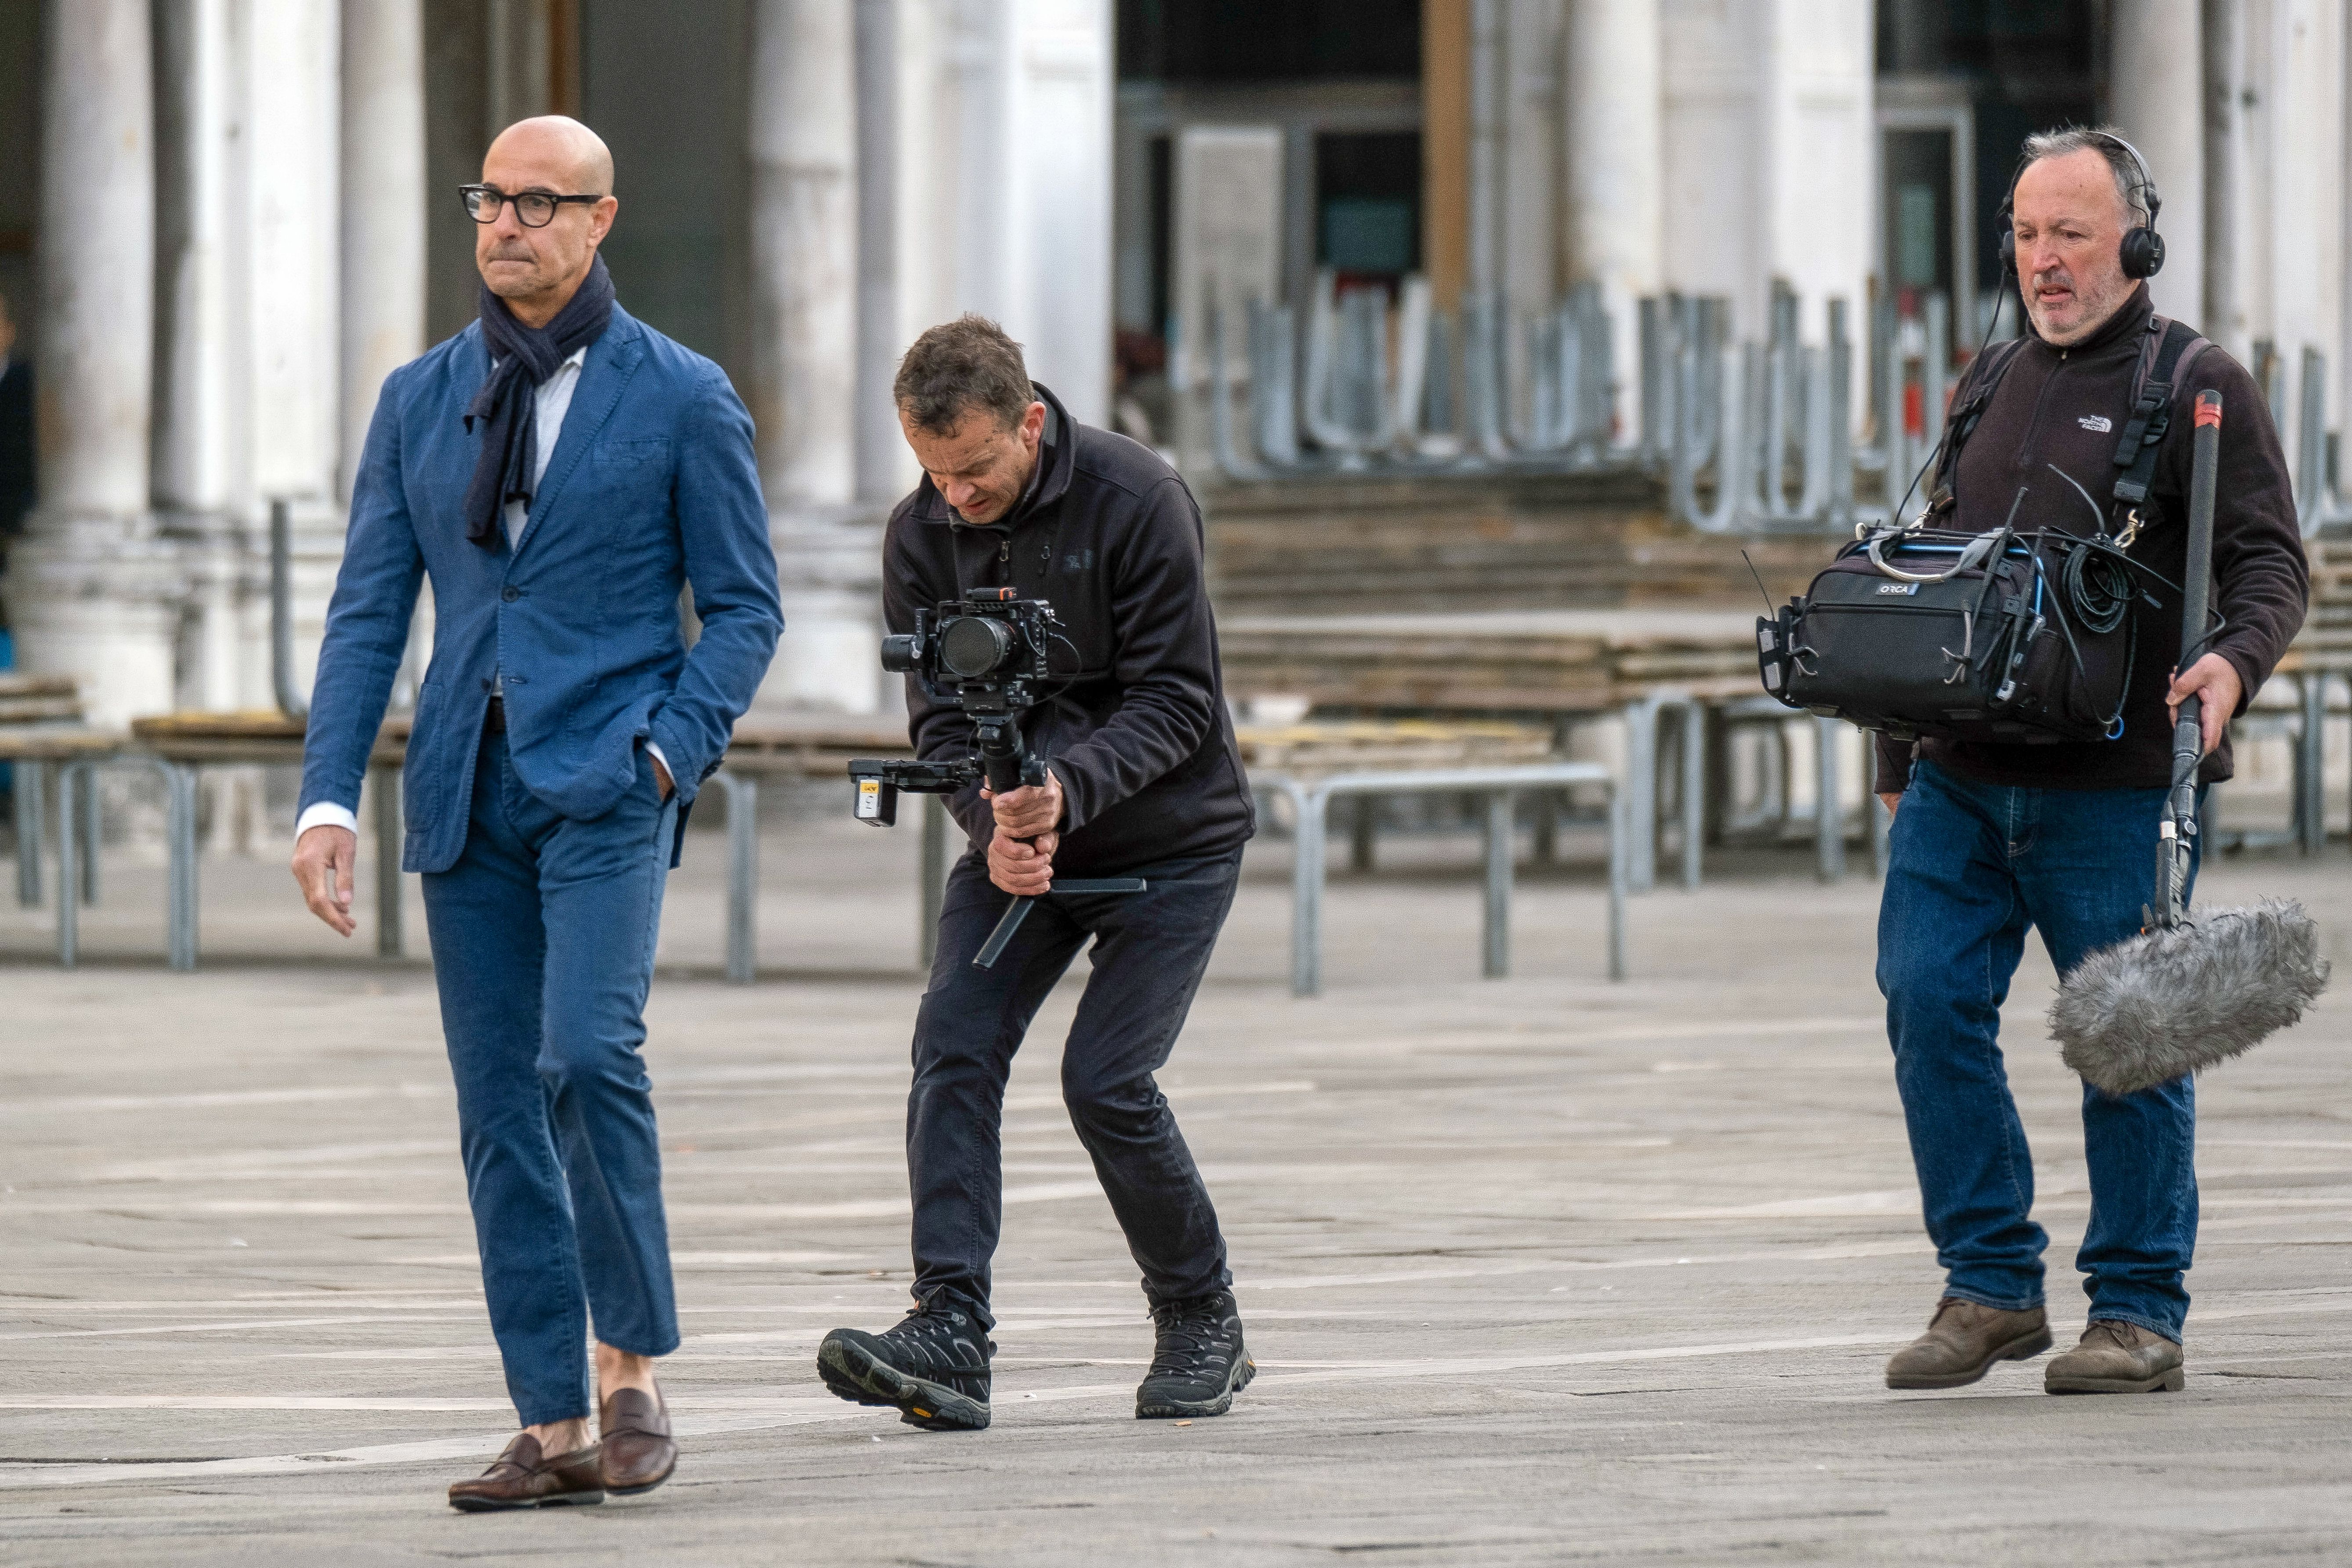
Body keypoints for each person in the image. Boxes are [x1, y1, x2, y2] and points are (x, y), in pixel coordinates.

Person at [291, 116, 781, 1508]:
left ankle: (630, 1367)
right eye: (489, 199)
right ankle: (553, 1421)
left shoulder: (682, 395)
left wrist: (671, 750)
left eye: (536, 202)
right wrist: (329, 796)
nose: (504, 222)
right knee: (497, 1104)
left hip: (609, 781)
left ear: (600, 219)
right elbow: (369, 611)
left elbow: (745, 608)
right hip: (464, 785)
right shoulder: (418, 396)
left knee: (586, 1056)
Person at [1874, 128, 2307, 1396]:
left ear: (2138, 237)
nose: (2043, 260)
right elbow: (1934, 564)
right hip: (1959, 776)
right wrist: (1899, 754)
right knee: (1924, 1000)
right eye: (2023, 234)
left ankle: (2135, 1311)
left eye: (2069, 232)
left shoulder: (2197, 382)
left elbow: (2271, 567)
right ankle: (1990, 1285)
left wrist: (2230, 662)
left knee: (2131, 1039)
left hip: (2116, 785)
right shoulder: (1986, 376)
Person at [817, 315, 1257, 1431]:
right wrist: (991, 822)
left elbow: (1178, 700)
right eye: (931, 472)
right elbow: (940, 724)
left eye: (972, 470)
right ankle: (950, 1329)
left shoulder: (1137, 497)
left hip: (1172, 843)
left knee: (1106, 1082)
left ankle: (1200, 1315)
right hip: (1024, 850)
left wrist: (1067, 792)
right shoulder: (920, 529)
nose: (953, 496)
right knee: (952, 1044)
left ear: (1030, 420)